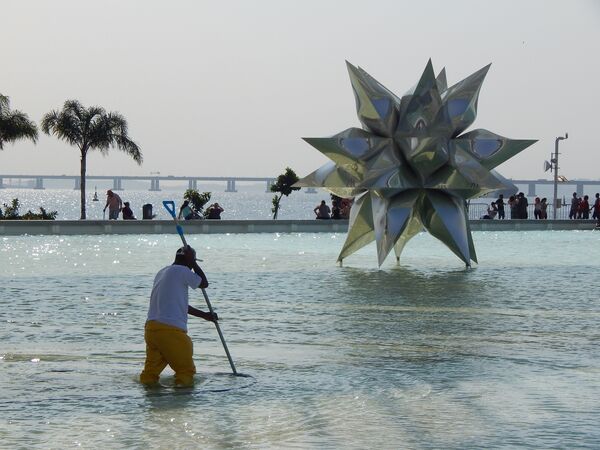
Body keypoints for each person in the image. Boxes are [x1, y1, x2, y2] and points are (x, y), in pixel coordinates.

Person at [140, 245, 217, 387]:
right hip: (170, 332)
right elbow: (204, 283)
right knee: (186, 372)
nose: (193, 266)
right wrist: (193, 263)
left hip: (152, 330)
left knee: (150, 375)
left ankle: (150, 400)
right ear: (188, 259)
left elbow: (179, 305)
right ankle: (181, 404)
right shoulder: (182, 270)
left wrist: (205, 316)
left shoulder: (162, 272)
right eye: (193, 261)